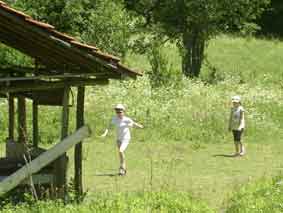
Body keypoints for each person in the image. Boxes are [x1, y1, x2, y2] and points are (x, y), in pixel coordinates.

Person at [101, 104, 143, 175]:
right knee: (120, 153)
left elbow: (133, 124)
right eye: (117, 111)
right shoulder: (114, 118)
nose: (118, 113)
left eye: (120, 111)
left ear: (123, 111)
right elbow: (109, 126)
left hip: (126, 138)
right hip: (118, 138)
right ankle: (123, 168)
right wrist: (105, 133)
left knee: (121, 151)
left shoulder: (127, 119)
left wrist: (140, 126)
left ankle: (122, 168)